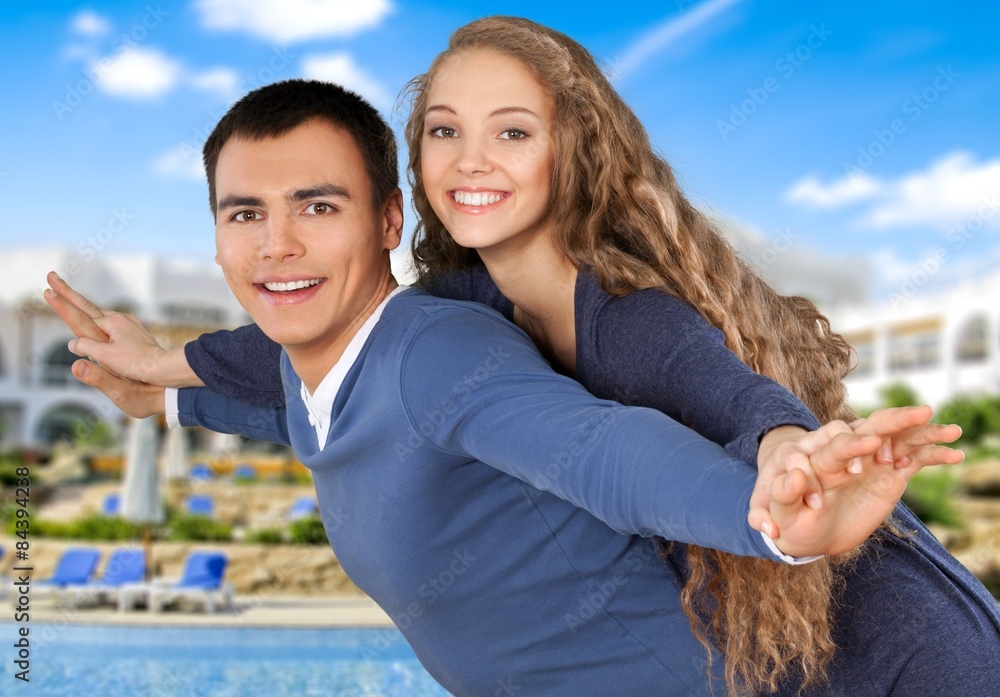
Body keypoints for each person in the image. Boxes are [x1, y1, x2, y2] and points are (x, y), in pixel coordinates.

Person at [45, 79, 963, 697]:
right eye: (246, 212)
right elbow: (277, 398)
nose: (276, 245)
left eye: (317, 207)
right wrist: (162, 387)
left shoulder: (437, 354)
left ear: (390, 221)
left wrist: (764, 516)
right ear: (216, 234)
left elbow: (593, 447)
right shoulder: (317, 369)